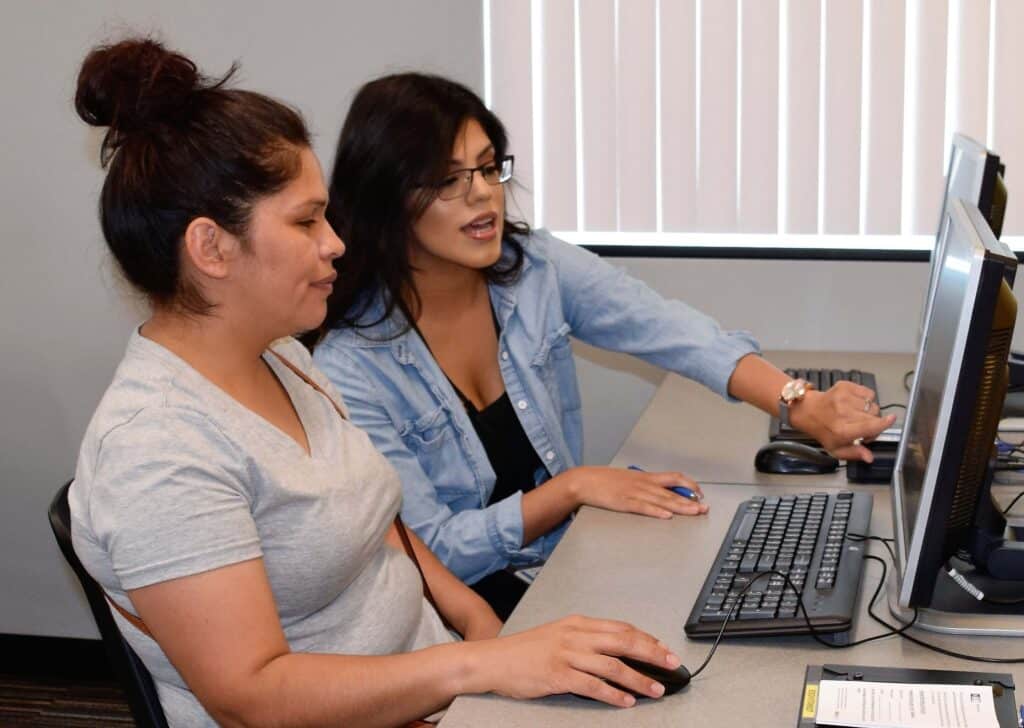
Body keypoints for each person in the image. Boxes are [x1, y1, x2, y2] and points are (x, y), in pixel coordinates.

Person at [70, 39, 685, 727]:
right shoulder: (156, 452)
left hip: (436, 683)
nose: (335, 241)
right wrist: (480, 666)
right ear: (211, 248)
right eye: (306, 221)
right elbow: (251, 697)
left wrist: (482, 626)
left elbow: (376, 515)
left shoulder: (282, 359)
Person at [311, 73, 896, 619]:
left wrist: (799, 403)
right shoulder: (350, 364)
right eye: (449, 180)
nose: (484, 196)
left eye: (489, 170)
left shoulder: (533, 266)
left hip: (566, 564)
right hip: (467, 615)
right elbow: (432, 552)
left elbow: (669, 329)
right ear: (387, 197)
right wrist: (573, 489)